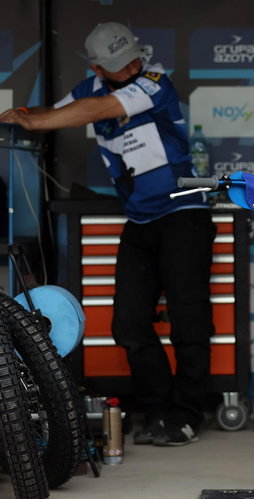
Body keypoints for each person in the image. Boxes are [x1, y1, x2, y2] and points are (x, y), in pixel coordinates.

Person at [0, 22, 216, 446]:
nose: (132, 65)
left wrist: (35, 122)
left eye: (133, 55)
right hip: (139, 222)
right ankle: (156, 409)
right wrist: (23, 116)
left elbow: (95, 111)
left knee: (189, 322)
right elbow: (55, 113)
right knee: (128, 323)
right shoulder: (88, 87)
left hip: (184, 215)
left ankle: (189, 411)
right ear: (98, 67)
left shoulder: (155, 83)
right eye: (119, 64)